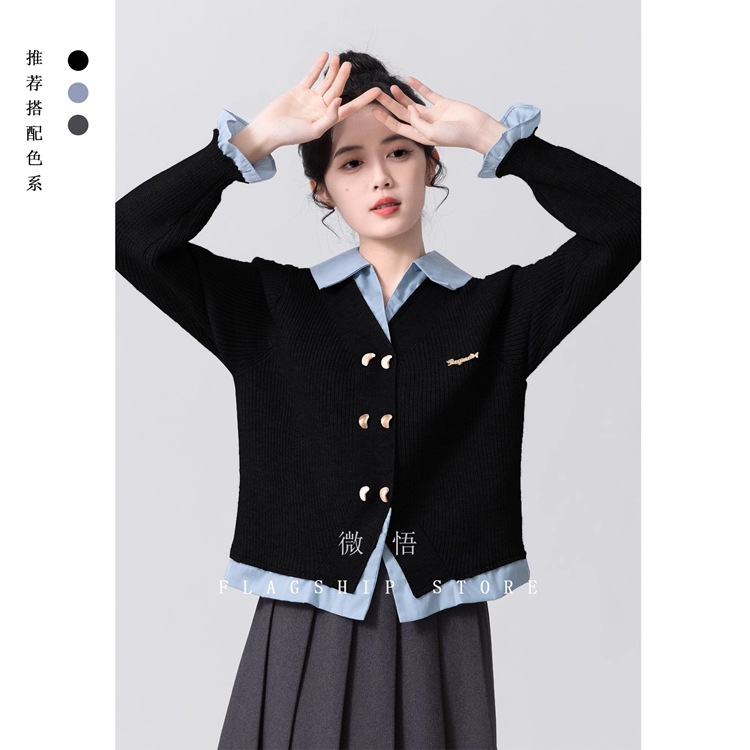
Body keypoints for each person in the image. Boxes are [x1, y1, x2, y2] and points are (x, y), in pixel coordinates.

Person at [116, 50, 640, 749]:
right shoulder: (269, 310)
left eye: (400, 152)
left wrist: (494, 139)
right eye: (351, 162)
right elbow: (128, 237)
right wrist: (254, 142)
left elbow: (632, 224)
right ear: (322, 189)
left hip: (437, 628)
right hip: (304, 620)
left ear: (431, 163)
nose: (382, 177)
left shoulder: (497, 312)